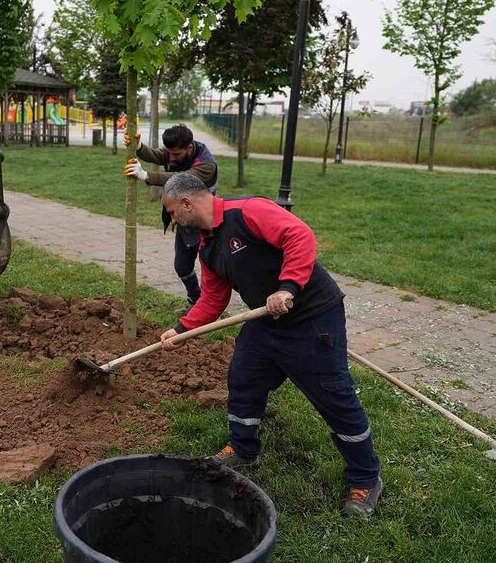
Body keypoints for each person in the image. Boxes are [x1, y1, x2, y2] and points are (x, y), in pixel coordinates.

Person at [157, 173, 383, 519]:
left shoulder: (247, 211)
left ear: (186, 203)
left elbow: (299, 235)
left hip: (312, 317)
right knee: (244, 378)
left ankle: (366, 478)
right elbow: (214, 298)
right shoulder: (208, 245)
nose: (174, 220)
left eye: (172, 212)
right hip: (267, 321)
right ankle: (243, 449)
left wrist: (287, 287)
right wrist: (181, 329)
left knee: (334, 397)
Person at [122, 124, 217, 313]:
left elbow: (180, 179)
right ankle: (195, 300)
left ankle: (210, 307)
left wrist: (146, 175)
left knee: (212, 268)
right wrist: (139, 146)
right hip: (185, 220)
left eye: (175, 154)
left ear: (189, 148)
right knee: (182, 265)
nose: (171, 157)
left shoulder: (206, 165)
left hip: (209, 224)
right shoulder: (176, 150)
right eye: (169, 152)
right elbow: (156, 155)